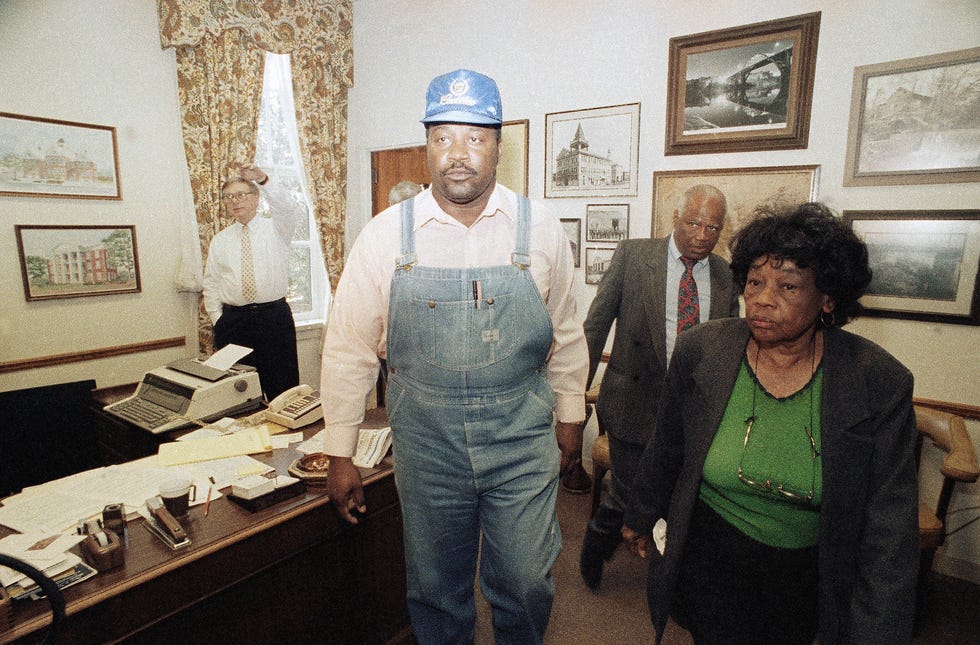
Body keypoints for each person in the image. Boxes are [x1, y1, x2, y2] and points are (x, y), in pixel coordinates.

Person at [319, 69, 588, 644]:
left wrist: (571, 414)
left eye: (475, 137)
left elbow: (564, 328)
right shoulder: (387, 235)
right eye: (443, 137)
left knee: (526, 582)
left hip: (520, 435)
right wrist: (340, 451)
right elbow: (349, 349)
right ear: (427, 145)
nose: (458, 154)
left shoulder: (539, 228)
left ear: (497, 143)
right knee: (436, 591)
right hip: (427, 441)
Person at [622, 203, 918, 644]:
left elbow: (889, 529)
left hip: (805, 573)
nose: (762, 298)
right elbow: (668, 446)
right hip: (710, 554)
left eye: (788, 286)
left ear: (828, 297)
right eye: (755, 282)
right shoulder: (703, 350)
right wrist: (641, 515)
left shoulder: (878, 381)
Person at [578, 184, 739, 589]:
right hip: (634, 402)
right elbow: (596, 325)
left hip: (693, 410)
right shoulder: (634, 256)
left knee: (684, 496)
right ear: (675, 218)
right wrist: (572, 395)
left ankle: (669, 578)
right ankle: (596, 546)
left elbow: (731, 344)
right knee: (630, 495)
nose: (703, 235)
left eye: (712, 227)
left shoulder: (725, 275)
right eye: (694, 223)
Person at [202, 162, 301, 402]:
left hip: (273, 320)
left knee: (282, 391)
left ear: (256, 198)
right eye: (228, 197)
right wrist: (220, 319)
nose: (235, 201)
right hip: (234, 323)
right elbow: (211, 284)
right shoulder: (220, 240)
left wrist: (264, 179)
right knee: (238, 393)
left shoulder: (277, 229)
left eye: (241, 195)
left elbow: (288, 208)